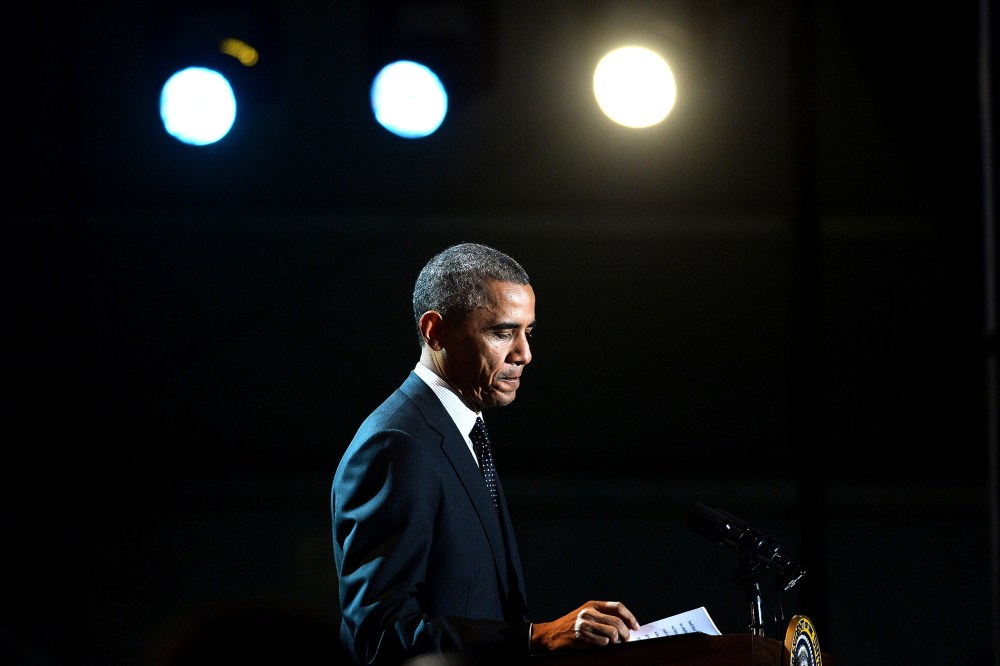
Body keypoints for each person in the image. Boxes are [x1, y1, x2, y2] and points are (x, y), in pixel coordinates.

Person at [331, 242, 640, 665]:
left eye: (527, 332)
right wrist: (536, 637)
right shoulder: (397, 445)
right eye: (501, 332)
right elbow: (379, 634)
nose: (524, 355)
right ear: (434, 331)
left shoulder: (463, 429)